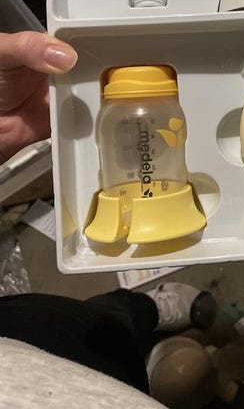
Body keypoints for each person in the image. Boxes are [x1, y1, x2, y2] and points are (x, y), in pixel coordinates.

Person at [0, 30, 216, 407]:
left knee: (99, 320)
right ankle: (147, 316)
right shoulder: (116, 112)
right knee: (100, 329)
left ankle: (148, 309)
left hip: (25, 336)